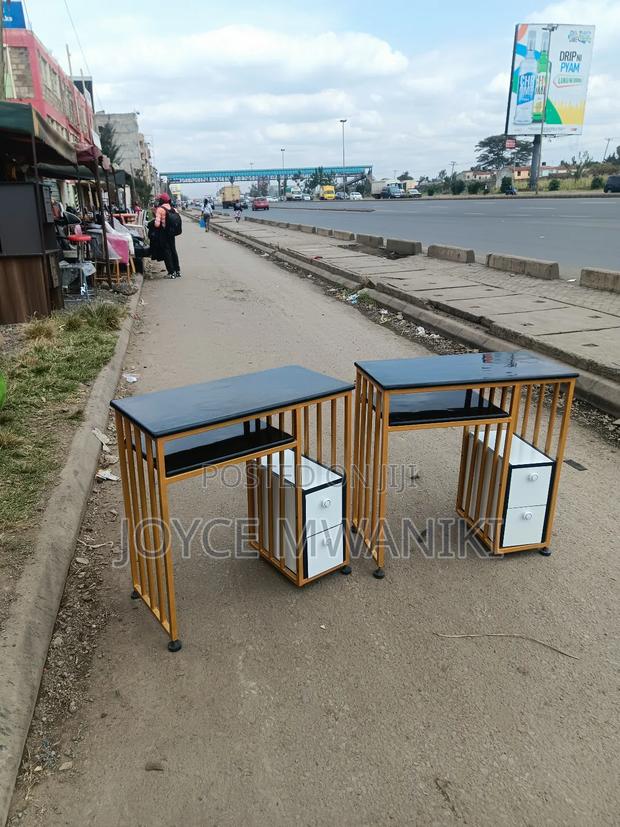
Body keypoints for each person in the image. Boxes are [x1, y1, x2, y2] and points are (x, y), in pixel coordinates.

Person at [154, 193, 181, 278]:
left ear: (161, 201)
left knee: (167, 252)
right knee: (173, 251)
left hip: (164, 234)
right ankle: (177, 271)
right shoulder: (174, 209)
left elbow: (157, 225)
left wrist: (155, 220)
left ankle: (171, 272)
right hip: (172, 233)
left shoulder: (160, 209)